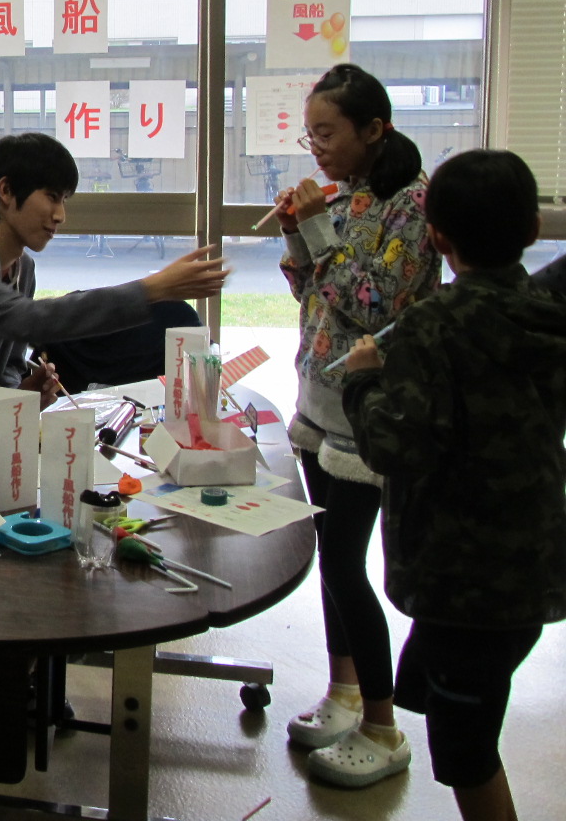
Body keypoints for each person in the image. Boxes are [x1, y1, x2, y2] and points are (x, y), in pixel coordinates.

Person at [342, 150, 566, 821]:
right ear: (533, 228)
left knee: (466, 750)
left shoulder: (431, 328)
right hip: (533, 562)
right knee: (453, 693)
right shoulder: (548, 310)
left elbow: (394, 446)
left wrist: (363, 379)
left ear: (437, 238)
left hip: (462, 575)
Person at [0, 132, 229, 487]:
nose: (60, 215)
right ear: (6, 191)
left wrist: (24, 393)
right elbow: (29, 320)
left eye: (64, 200)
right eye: (51, 197)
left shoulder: (21, 270)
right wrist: (154, 289)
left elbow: (1, 377)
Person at [275, 63, 440, 787]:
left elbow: (373, 302)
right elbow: (314, 291)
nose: (317, 147)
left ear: (375, 129)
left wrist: (315, 227)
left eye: (328, 132)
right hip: (320, 402)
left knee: (345, 563)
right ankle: (343, 692)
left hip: (367, 414)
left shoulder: (413, 204)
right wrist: (298, 234)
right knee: (331, 560)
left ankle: (382, 724)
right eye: (310, 134)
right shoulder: (348, 194)